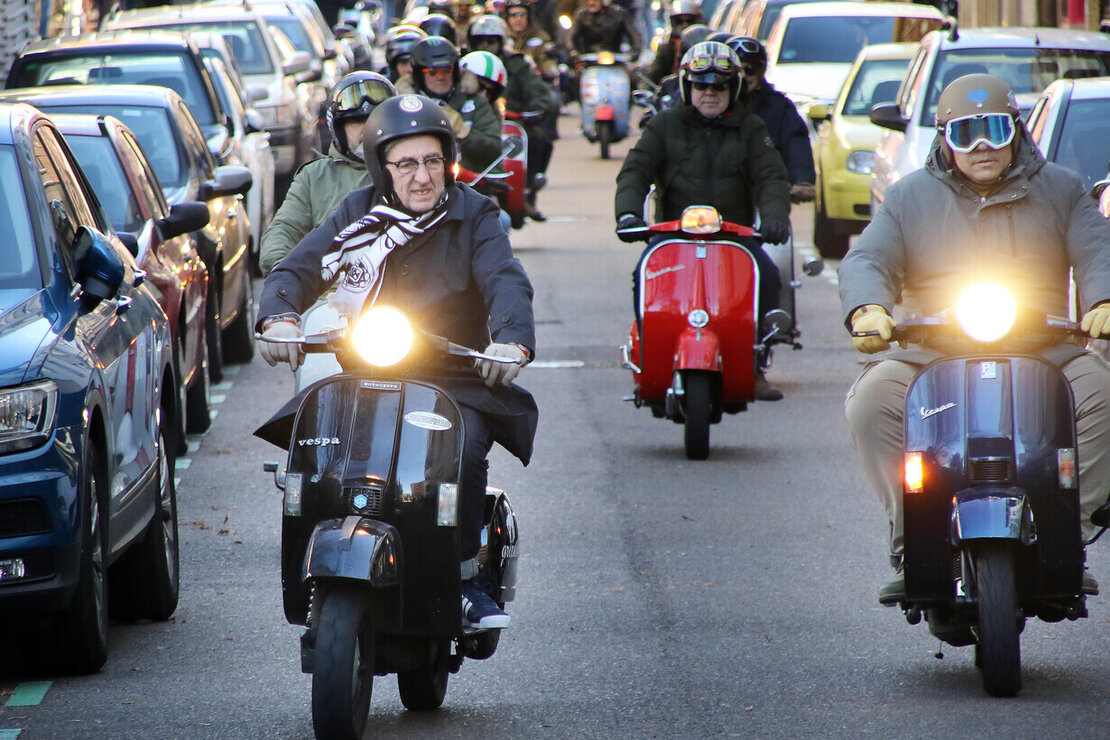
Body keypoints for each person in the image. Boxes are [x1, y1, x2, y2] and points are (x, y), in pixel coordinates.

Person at [256, 94, 538, 630]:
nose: (423, 176)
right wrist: (279, 319)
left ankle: (465, 581)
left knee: (465, 447)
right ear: (381, 168)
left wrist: (510, 341)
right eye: (406, 163)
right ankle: (317, 561)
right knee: (319, 447)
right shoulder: (358, 212)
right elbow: (297, 267)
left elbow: (505, 279)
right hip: (368, 370)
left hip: (454, 378)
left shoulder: (474, 214)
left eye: (434, 161)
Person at [839, 73, 1110, 603]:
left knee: (1104, 392)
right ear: (944, 137)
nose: (982, 146)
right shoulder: (907, 196)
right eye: (966, 133)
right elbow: (868, 257)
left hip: (1046, 346)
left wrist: (1103, 300)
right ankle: (909, 539)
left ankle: (1065, 535)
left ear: (1015, 130)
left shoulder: (1062, 187)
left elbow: (1098, 249)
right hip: (931, 350)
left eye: (993, 130)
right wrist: (867, 308)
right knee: (869, 403)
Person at [615, 41, 792, 401]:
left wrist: (774, 218)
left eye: (720, 86)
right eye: (701, 85)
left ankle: (756, 363)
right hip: (672, 236)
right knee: (641, 277)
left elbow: (771, 177)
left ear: (734, 88)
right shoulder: (664, 125)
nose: (710, 93)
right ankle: (650, 355)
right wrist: (628, 214)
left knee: (769, 275)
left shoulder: (752, 128)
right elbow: (635, 171)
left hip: (735, 235)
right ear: (687, 87)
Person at [260, 72, 397, 275]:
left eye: (376, 120)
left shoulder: (413, 167)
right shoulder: (313, 177)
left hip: (403, 290)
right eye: (357, 122)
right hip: (332, 293)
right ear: (340, 128)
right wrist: (282, 269)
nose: (368, 129)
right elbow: (284, 229)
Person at [468, 12, 557, 220]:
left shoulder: (517, 63)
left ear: (501, 42)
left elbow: (538, 90)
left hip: (512, 121)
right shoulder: (465, 63)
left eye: (491, 41)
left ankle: (528, 190)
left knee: (539, 140)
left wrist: (538, 108)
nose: (485, 45)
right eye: (480, 41)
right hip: (472, 123)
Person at [729, 36, 815, 203]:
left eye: (751, 69)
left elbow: (796, 142)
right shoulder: (712, 104)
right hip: (723, 196)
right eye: (736, 71)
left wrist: (802, 180)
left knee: (777, 227)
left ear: (762, 71)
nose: (744, 76)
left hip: (768, 193)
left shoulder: (780, 106)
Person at [402, 36, 504, 173]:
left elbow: (494, 150)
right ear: (419, 74)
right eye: (432, 72)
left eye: (446, 69)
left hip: (468, 186)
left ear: (455, 71)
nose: (441, 76)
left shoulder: (476, 103)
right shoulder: (402, 106)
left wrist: (463, 131)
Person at [643, 0, 703, 86]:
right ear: (673, 23)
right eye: (679, 21)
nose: (684, 25)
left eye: (689, 21)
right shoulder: (666, 50)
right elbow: (652, 76)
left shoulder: (705, 49)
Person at [570, 0, 642, 58]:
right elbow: (571, 36)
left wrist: (635, 52)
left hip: (615, 60)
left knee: (634, 74)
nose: (591, 3)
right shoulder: (582, 15)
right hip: (588, 61)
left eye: (595, 0)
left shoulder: (619, 14)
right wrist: (573, 51)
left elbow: (634, 34)